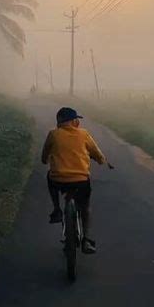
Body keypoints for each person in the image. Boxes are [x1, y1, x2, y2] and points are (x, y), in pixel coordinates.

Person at [41, 107, 111, 254]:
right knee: (85, 207)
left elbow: (44, 156)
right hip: (80, 180)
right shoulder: (84, 134)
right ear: (74, 121)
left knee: (49, 175)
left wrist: (46, 159)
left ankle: (57, 209)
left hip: (58, 179)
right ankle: (86, 239)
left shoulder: (53, 134)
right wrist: (102, 160)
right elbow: (97, 153)